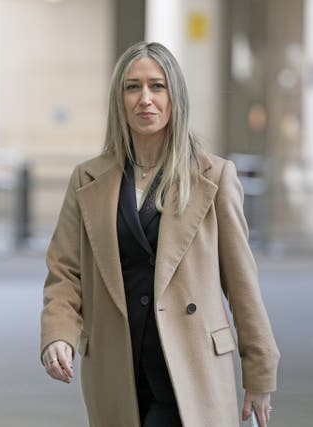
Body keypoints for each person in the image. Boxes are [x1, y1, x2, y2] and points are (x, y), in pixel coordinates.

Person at [40, 41, 280, 427]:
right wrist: (58, 334)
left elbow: (241, 284)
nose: (144, 99)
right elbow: (65, 273)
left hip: (190, 368)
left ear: (175, 97)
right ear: (120, 99)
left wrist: (260, 373)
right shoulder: (88, 179)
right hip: (117, 369)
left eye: (157, 86)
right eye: (132, 87)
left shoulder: (214, 177)